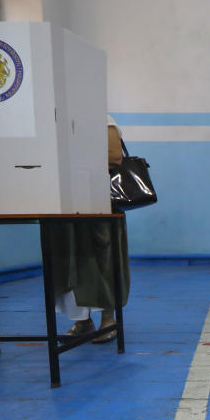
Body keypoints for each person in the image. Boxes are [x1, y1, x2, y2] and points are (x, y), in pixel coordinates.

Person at [51, 116, 130, 343]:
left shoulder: (105, 120)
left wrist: (76, 164)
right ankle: (83, 321)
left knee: (102, 262)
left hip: (99, 205)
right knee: (69, 262)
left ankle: (108, 318)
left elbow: (115, 158)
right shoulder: (58, 118)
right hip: (65, 205)